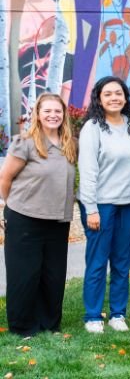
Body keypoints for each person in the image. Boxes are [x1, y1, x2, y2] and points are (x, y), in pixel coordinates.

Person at [0, 94, 77, 337]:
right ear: (38, 114)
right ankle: (23, 327)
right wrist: (5, 205)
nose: (53, 115)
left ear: (64, 114)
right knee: (24, 275)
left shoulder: (69, 144)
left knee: (53, 276)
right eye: (47, 111)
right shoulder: (24, 142)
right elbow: (5, 178)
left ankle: (49, 323)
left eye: (58, 110)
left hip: (57, 220)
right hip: (24, 217)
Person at [78, 76, 130, 333]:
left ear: (126, 97)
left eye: (118, 93)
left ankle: (118, 313)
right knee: (97, 261)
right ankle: (93, 315)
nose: (114, 98)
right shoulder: (93, 128)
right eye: (108, 94)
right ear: (99, 98)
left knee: (122, 261)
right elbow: (88, 171)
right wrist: (91, 208)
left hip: (128, 204)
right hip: (101, 206)